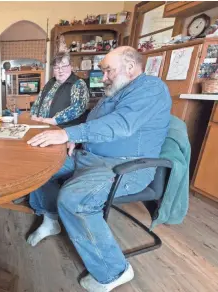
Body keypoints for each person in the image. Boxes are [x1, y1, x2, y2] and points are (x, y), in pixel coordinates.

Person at [26, 47, 171, 291]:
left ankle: (114, 272)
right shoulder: (113, 92)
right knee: (39, 167)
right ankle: (50, 219)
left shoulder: (151, 89)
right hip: (89, 156)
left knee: (75, 199)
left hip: (126, 166)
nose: (103, 78)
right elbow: (95, 124)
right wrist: (76, 140)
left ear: (130, 67)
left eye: (108, 71)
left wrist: (67, 133)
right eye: (103, 72)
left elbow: (121, 125)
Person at [30, 52, 89, 127]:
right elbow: (38, 101)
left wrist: (54, 121)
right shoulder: (51, 82)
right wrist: (33, 115)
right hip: (43, 126)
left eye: (64, 66)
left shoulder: (78, 83)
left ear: (71, 66)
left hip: (64, 131)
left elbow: (78, 108)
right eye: (57, 67)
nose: (60, 71)